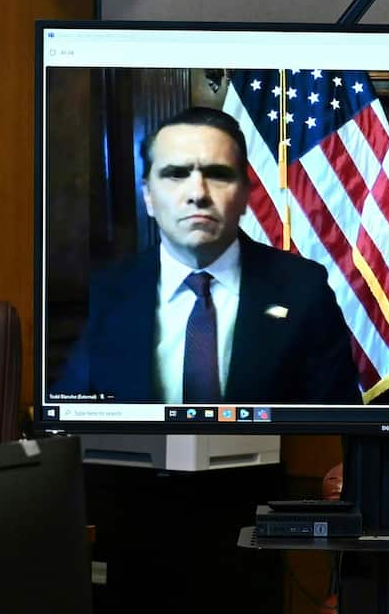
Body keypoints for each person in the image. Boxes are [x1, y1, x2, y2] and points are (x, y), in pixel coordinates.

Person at [53, 106, 360, 404]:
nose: (198, 194)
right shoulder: (110, 291)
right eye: (176, 174)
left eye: (217, 174)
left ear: (245, 195)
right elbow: (73, 415)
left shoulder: (304, 289)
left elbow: (335, 424)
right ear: (148, 196)